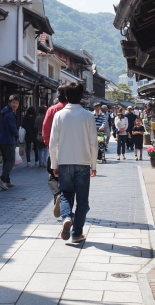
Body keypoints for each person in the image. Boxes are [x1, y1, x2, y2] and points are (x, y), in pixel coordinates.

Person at [49, 82, 97, 243]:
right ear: (82, 97)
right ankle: (77, 233)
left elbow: (52, 143)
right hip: (83, 162)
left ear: (66, 96)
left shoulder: (59, 115)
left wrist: (54, 165)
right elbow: (93, 143)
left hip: (64, 162)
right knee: (82, 200)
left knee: (65, 195)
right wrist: (94, 165)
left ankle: (66, 218)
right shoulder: (88, 116)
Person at [42, 85, 68, 217]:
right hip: (71, 151)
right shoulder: (74, 110)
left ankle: (57, 196)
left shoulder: (52, 110)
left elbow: (45, 132)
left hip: (55, 149)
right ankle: (65, 208)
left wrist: (49, 147)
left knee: (53, 176)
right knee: (69, 179)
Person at [0, 94, 20, 190]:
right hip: (7, 139)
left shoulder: (6, 112)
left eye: (17, 103)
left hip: (2, 139)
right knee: (11, 160)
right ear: (9, 103)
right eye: (13, 102)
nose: (15, 105)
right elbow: (13, 127)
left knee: (6, 160)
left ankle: (7, 181)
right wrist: (18, 134)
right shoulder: (10, 114)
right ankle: (2, 179)